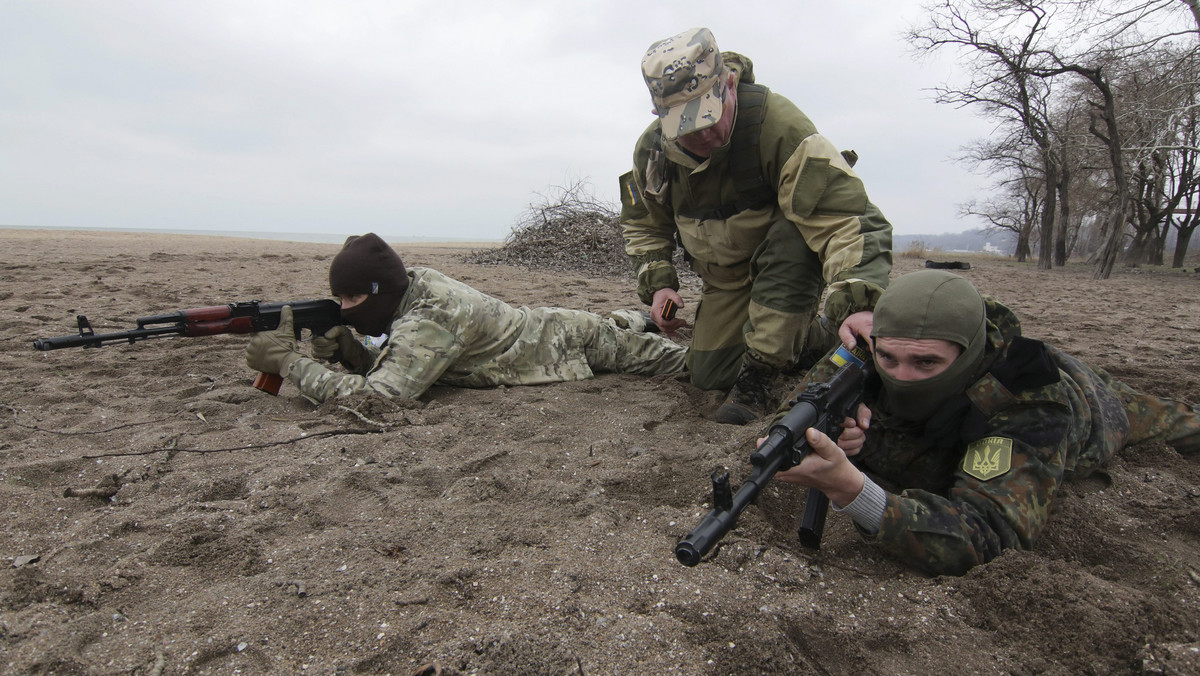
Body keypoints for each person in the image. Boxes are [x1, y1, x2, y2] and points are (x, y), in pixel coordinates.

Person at [773, 270, 1200, 576]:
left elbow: (988, 535)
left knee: (1175, 421)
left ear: (968, 354)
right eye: (889, 358)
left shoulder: (1031, 403)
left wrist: (853, 489)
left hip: (1094, 408)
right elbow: (795, 413)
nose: (901, 375)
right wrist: (841, 429)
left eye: (926, 362)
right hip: (944, 422)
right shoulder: (871, 347)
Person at [619, 27, 894, 426]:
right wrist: (659, 282)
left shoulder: (780, 128)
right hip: (726, 281)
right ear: (659, 116)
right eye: (688, 126)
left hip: (786, 266)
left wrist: (860, 304)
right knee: (708, 375)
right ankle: (813, 336)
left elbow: (848, 221)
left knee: (792, 239)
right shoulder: (653, 150)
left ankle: (761, 378)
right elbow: (643, 224)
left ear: (729, 84)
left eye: (710, 115)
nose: (706, 134)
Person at [244, 233, 688, 403]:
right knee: (616, 322)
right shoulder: (410, 288)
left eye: (355, 297)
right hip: (541, 327)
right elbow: (411, 362)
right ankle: (637, 317)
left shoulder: (431, 316)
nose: (346, 309)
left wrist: (289, 363)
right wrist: (354, 352)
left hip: (568, 342)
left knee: (684, 363)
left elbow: (378, 399)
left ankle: (657, 320)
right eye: (339, 299)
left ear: (383, 291)